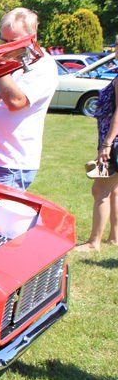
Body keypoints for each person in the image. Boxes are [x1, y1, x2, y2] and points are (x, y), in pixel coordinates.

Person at [0, 8, 59, 190]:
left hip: (9, 164)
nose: (6, 47)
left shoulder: (43, 66)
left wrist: (1, 66)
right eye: (3, 40)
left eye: (13, 42)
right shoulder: (9, 61)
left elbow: (16, 102)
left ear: (32, 37)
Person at [76, 77, 118, 251]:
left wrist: (107, 143)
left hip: (114, 142)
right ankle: (115, 238)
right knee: (115, 190)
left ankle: (94, 242)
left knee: (100, 190)